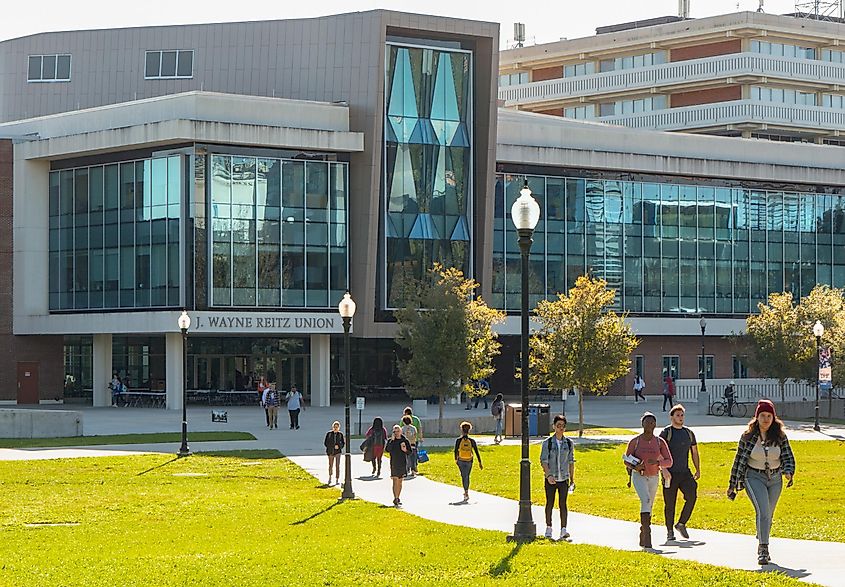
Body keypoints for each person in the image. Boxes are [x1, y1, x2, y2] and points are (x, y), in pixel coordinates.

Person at [727, 399, 796, 566]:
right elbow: (738, 461)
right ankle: (763, 549)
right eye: (763, 415)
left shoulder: (780, 436)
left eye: (769, 416)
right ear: (756, 417)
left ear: (774, 418)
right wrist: (732, 485)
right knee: (763, 511)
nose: (766, 419)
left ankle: (762, 532)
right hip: (753, 477)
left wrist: (789, 471)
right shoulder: (748, 437)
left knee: (768, 514)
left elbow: (788, 456)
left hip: (775, 478)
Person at [624, 412, 673, 550]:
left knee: (650, 504)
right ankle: (647, 536)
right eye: (647, 422)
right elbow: (626, 459)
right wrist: (635, 466)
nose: (650, 425)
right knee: (645, 500)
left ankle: (642, 529)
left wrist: (658, 463)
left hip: (653, 476)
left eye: (652, 422)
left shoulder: (659, 442)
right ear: (642, 424)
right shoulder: (636, 441)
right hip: (639, 475)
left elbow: (669, 461)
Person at [659, 405, 700, 541]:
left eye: (682, 415)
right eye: (677, 415)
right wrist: (664, 470)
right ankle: (669, 531)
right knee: (670, 503)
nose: (680, 418)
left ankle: (681, 523)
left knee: (692, 495)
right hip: (669, 473)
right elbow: (658, 452)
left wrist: (697, 469)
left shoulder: (688, 433)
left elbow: (694, 452)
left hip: (684, 472)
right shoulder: (666, 433)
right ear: (671, 417)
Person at [540, 414, 575, 540]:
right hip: (551, 478)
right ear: (554, 426)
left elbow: (571, 462)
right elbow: (543, 460)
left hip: (563, 478)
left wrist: (572, 480)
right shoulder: (547, 443)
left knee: (563, 504)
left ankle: (563, 529)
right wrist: (548, 474)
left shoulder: (569, 443)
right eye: (558, 425)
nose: (561, 428)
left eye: (563, 426)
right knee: (549, 503)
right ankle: (549, 528)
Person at [454, 421, 483, 503]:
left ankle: (465, 492)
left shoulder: (458, 440)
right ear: (469, 430)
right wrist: (480, 462)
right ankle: (466, 492)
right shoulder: (472, 441)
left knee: (463, 476)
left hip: (461, 460)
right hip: (469, 460)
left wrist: (456, 459)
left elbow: (455, 451)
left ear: (461, 430)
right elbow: (476, 452)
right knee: (467, 476)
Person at [385, 425, 412, 506]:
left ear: (401, 431)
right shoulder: (391, 441)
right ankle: (395, 498)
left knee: (400, 481)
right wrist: (392, 441)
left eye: (397, 431)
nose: (396, 433)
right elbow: (387, 450)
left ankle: (398, 497)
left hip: (402, 462)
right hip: (394, 463)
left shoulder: (405, 441)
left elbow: (410, 452)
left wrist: (405, 450)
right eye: (394, 431)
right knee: (395, 480)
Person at [402, 407, 423, 472]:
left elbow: (400, 430)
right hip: (414, 441)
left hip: (405, 442)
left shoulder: (403, 420)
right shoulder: (416, 419)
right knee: (414, 454)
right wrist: (421, 438)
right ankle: (414, 467)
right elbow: (419, 429)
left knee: (406, 455)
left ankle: (407, 467)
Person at [324, 420, 345, 486]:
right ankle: (330, 476)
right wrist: (332, 446)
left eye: (337, 427)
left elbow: (343, 443)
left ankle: (337, 478)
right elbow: (326, 443)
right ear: (333, 427)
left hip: (338, 452)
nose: (336, 428)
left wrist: (339, 447)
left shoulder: (340, 434)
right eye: (334, 427)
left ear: (339, 427)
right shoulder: (329, 434)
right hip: (330, 451)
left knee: (337, 465)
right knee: (330, 465)